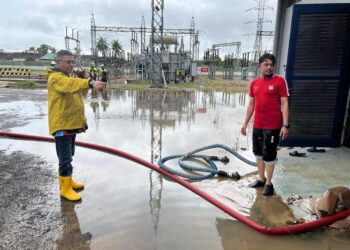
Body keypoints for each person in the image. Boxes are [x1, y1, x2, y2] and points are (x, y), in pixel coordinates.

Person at [47, 50, 106, 201]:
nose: (71, 65)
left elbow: (74, 95)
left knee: (70, 153)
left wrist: (82, 121)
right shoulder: (56, 78)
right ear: (58, 62)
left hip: (70, 124)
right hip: (62, 125)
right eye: (68, 62)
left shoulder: (67, 76)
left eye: (73, 62)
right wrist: (90, 82)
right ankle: (64, 188)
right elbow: (70, 84)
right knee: (65, 158)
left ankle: (69, 180)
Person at [241, 53, 289, 196]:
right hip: (257, 125)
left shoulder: (280, 81)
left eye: (271, 65)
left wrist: (285, 125)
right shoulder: (254, 83)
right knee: (258, 153)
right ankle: (261, 179)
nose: (269, 67)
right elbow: (251, 104)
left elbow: (285, 103)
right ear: (259, 66)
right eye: (266, 64)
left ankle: (269, 183)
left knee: (269, 155)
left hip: (273, 126)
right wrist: (245, 123)